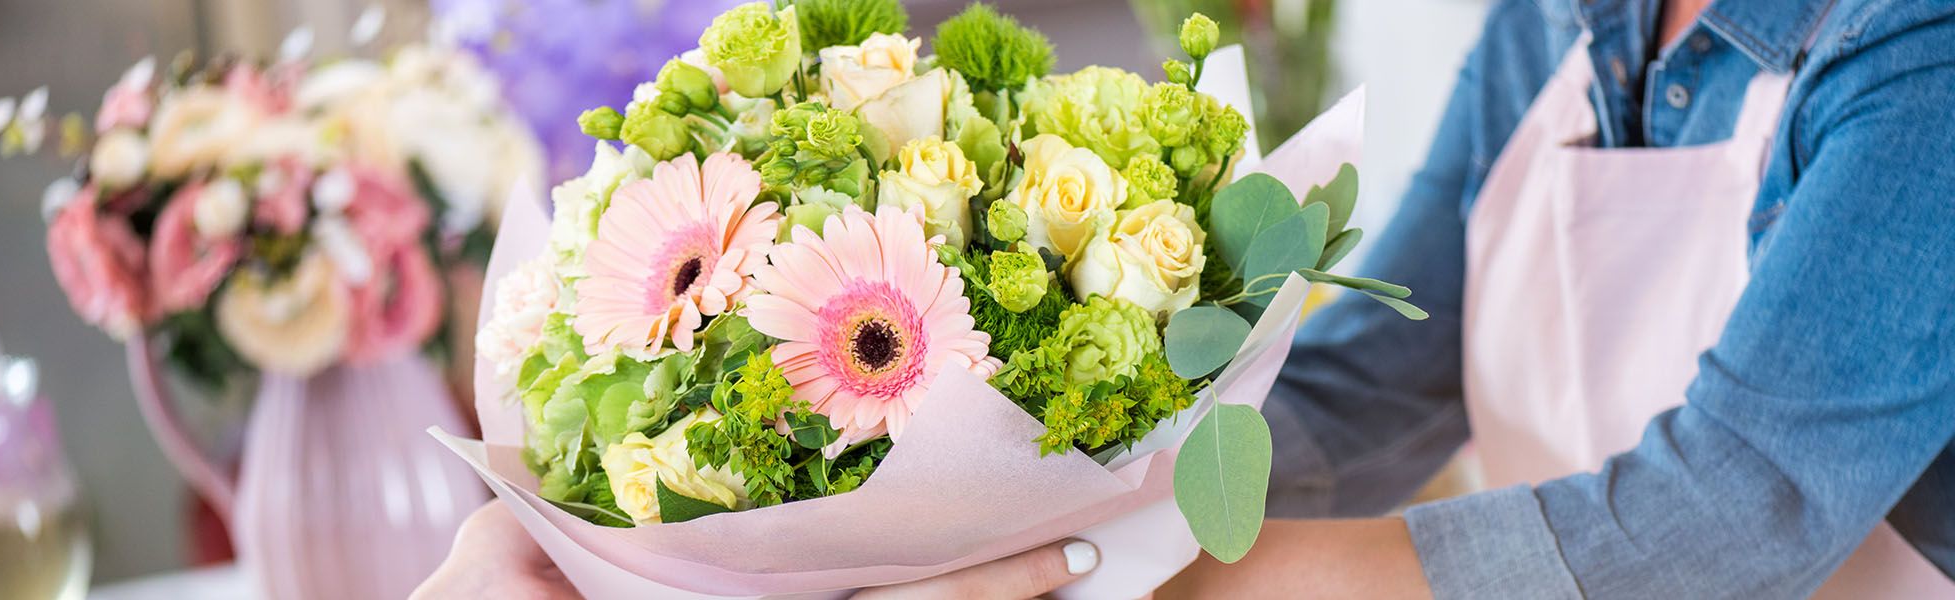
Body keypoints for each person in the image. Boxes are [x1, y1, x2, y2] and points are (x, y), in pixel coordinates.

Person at [418, 0, 1955, 596]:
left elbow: (1734, 514)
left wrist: (1161, 569)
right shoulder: (1567, 15)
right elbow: (1368, 383)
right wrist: (1003, 496)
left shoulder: (1915, 46)